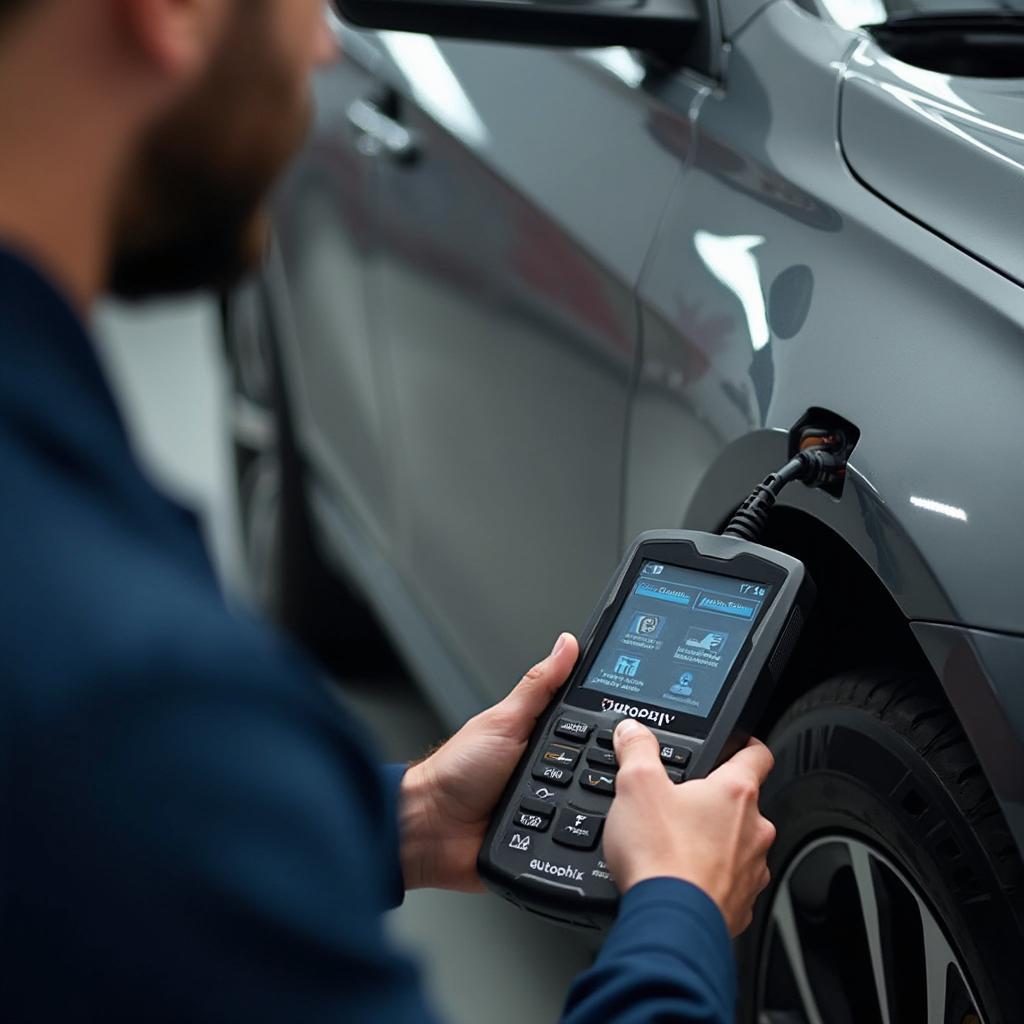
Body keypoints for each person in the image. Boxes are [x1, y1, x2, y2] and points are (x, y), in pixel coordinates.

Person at [0, 1, 777, 1020]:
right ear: (172, 12)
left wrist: (400, 818)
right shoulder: (132, 696)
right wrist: (676, 913)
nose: (326, 44)